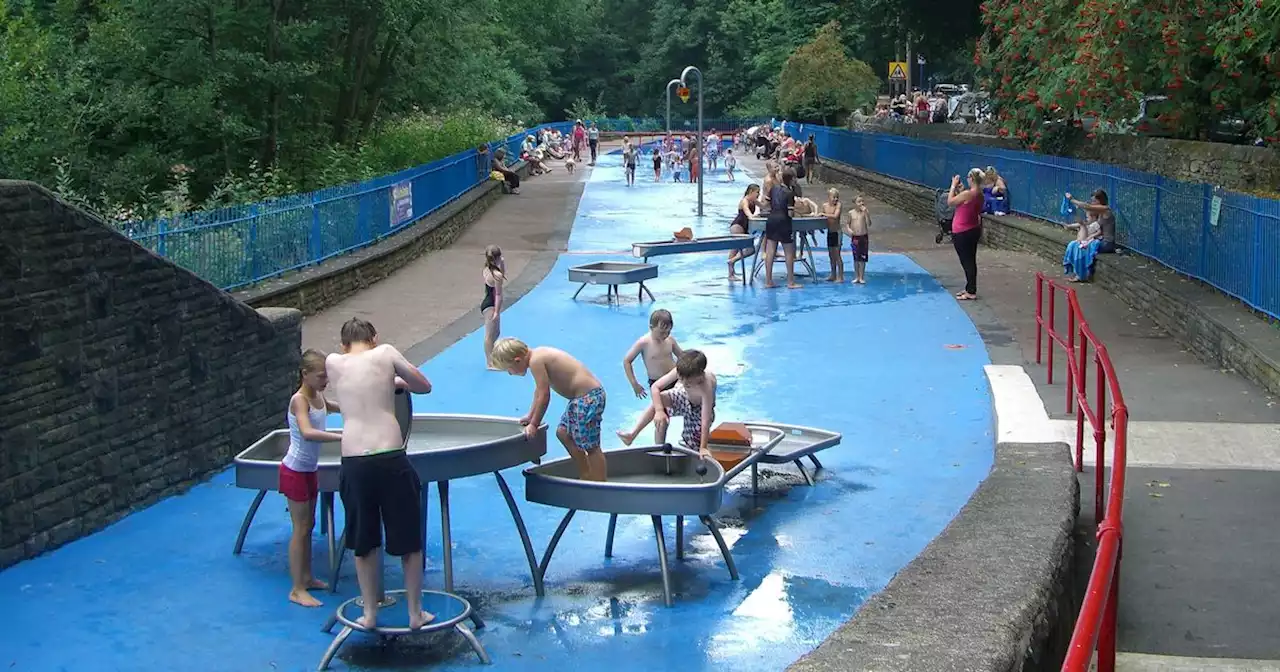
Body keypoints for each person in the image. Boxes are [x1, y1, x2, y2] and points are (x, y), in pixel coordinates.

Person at [325, 318, 434, 631]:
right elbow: (423, 385)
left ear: (343, 344)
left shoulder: (334, 362)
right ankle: (415, 613)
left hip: (354, 460)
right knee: (409, 539)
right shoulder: (385, 353)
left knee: (364, 540)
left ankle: (370, 613)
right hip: (390, 455)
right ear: (374, 338)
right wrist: (396, 382)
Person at [491, 338, 608, 481]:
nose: (510, 373)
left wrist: (534, 424)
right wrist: (530, 415)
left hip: (588, 398)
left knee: (591, 446)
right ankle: (585, 472)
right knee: (563, 433)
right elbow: (538, 392)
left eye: (508, 369)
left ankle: (600, 482)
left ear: (517, 360)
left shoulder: (536, 361)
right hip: (579, 400)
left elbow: (545, 395)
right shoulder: (537, 355)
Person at [281, 349, 342, 608]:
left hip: (309, 470)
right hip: (294, 470)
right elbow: (307, 432)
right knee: (300, 529)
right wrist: (341, 438)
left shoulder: (317, 395)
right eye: (321, 377)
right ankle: (296, 589)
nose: (325, 381)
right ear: (305, 375)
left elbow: (333, 407)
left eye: (327, 377)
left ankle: (307, 577)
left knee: (309, 524)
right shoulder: (299, 400)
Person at [616, 350, 717, 460]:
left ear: (699, 375)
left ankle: (697, 449)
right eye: (680, 379)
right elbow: (655, 387)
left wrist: (703, 447)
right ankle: (635, 436)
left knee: (694, 447)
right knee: (660, 399)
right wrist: (659, 411)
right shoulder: (681, 371)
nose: (683, 382)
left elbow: (705, 420)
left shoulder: (706, 387)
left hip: (700, 410)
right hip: (685, 397)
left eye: (687, 382)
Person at [622, 309, 684, 398]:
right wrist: (634, 384)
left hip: (674, 378)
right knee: (661, 409)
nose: (665, 335)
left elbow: (682, 356)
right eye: (662, 332)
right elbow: (627, 361)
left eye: (668, 332)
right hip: (657, 383)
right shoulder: (644, 343)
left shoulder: (670, 340)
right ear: (651, 328)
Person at [947, 169, 986, 301]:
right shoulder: (979, 194)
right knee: (971, 259)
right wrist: (961, 190)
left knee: (966, 261)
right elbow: (964, 203)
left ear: (971, 178)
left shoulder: (969, 194)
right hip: (973, 228)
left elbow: (950, 202)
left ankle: (971, 291)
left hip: (962, 231)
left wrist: (953, 186)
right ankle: (970, 287)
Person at [764, 167, 801, 289]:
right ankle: (791, 282)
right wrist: (798, 210)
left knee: (770, 252)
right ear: (791, 180)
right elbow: (790, 214)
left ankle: (768, 281)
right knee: (789, 253)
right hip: (784, 221)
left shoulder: (773, 189)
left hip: (771, 220)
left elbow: (767, 205)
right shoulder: (790, 193)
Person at [728, 184, 761, 280]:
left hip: (743, 227)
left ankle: (731, 271)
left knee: (737, 249)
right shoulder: (744, 201)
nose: (758, 194)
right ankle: (731, 268)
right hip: (737, 226)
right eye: (757, 192)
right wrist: (753, 216)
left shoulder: (753, 201)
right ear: (751, 191)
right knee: (746, 249)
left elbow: (764, 205)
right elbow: (747, 212)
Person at [481, 245, 506, 369]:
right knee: (490, 335)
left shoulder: (486, 269)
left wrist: (501, 264)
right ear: (498, 257)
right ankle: (489, 362)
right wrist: (496, 311)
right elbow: (498, 294)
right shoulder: (496, 275)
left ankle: (493, 359)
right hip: (491, 305)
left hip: (487, 302)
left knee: (496, 332)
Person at [845, 195, 872, 284]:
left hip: (863, 236)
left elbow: (869, 224)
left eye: (862, 201)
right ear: (855, 203)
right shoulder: (851, 213)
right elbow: (847, 224)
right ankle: (857, 276)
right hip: (855, 237)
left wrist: (867, 214)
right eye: (859, 202)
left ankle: (861, 277)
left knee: (863, 258)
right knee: (856, 258)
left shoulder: (865, 212)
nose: (861, 203)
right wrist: (849, 229)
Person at [822, 188, 844, 283]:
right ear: (829, 197)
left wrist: (823, 214)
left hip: (837, 232)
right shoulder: (824, 206)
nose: (835, 199)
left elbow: (835, 216)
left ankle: (841, 276)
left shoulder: (839, 205)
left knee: (837, 255)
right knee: (831, 255)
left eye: (837, 197)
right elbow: (823, 220)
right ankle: (833, 274)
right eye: (833, 197)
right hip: (830, 233)